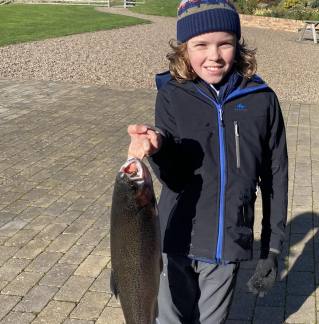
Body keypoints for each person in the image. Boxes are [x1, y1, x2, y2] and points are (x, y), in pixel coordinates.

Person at [127, 0, 288, 323]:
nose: (213, 56)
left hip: (229, 241)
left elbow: (276, 176)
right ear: (184, 48)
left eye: (224, 44)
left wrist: (272, 248)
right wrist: (158, 147)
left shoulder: (262, 99)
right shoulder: (172, 93)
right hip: (176, 240)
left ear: (238, 45)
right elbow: (172, 176)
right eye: (200, 45)